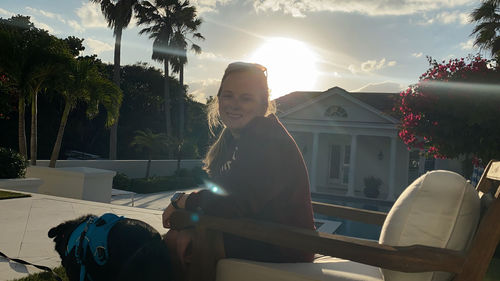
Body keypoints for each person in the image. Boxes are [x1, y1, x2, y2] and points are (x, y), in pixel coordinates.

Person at [162, 62, 315, 272]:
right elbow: (232, 196)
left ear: (263, 104)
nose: (235, 104)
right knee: (179, 237)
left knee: (178, 242)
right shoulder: (246, 138)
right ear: (219, 99)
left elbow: (234, 202)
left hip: (284, 244)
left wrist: (184, 201)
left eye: (246, 98)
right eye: (228, 95)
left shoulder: (265, 137)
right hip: (260, 231)